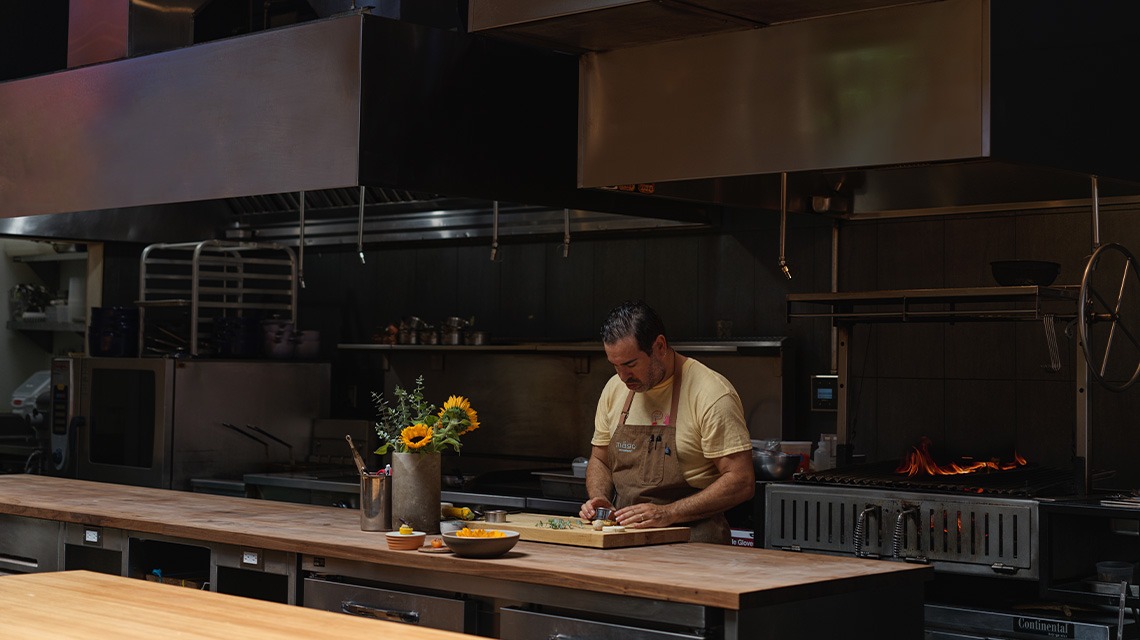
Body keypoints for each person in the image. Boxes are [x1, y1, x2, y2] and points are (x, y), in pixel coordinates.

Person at [579, 300, 755, 544]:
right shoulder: (614, 389)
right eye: (615, 366)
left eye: (630, 364)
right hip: (625, 543)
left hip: (694, 544)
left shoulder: (711, 393)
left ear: (659, 346)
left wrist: (669, 513)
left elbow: (741, 480)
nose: (622, 376)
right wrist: (599, 499)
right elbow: (600, 459)